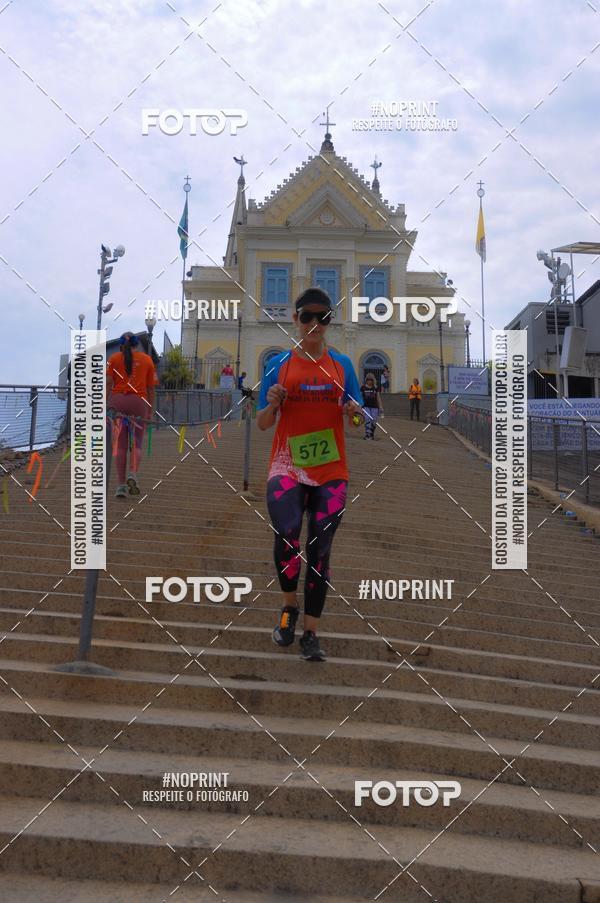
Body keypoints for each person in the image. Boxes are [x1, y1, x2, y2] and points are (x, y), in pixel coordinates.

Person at [257, 287, 363, 662]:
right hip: (287, 466)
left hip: (331, 472)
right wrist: (271, 405)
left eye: (324, 318)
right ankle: (289, 608)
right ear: (295, 319)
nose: (315, 325)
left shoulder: (342, 366)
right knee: (287, 535)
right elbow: (263, 424)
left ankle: (311, 634)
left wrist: (352, 411)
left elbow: (356, 423)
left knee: (320, 551)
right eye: (308, 317)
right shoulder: (280, 365)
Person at [106, 332, 158, 497]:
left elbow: (108, 383)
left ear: (121, 345)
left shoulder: (113, 359)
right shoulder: (147, 360)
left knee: (120, 446)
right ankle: (132, 473)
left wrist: (104, 404)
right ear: (137, 344)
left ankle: (120, 486)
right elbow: (151, 389)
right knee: (137, 443)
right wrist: (150, 410)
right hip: (138, 402)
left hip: (118, 402)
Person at [360, 372, 384, 439]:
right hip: (366, 406)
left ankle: (371, 434)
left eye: (371, 380)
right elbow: (361, 397)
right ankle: (367, 434)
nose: (369, 381)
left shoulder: (375, 388)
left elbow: (378, 398)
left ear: (373, 380)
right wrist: (359, 405)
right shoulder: (363, 387)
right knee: (368, 419)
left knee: (374, 421)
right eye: (368, 380)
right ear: (366, 380)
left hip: (375, 407)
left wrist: (381, 407)